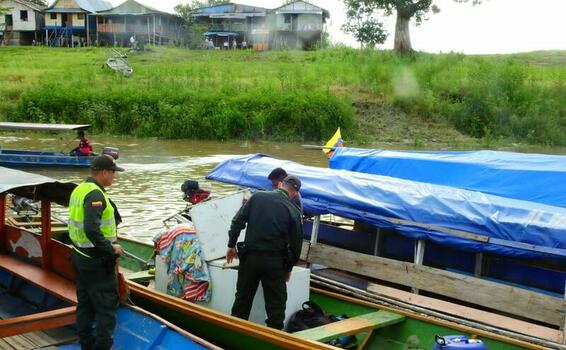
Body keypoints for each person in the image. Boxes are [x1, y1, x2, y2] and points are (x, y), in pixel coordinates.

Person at [226, 176, 303, 330]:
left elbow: (237, 221)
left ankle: (235, 333)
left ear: (281, 184)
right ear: (295, 193)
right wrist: (288, 268)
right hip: (274, 263)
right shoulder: (293, 210)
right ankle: (273, 337)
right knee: (276, 306)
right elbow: (296, 245)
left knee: (242, 299)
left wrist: (231, 245)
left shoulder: (257, 197)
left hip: (250, 259)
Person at [68, 155, 125, 350]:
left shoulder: (80, 189)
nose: (114, 178)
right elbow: (92, 229)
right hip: (96, 261)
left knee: (85, 304)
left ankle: (86, 345)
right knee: (106, 308)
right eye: (113, 173)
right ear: (104, 172)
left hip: (79, 256)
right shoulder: (95, 195)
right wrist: (112, 249)